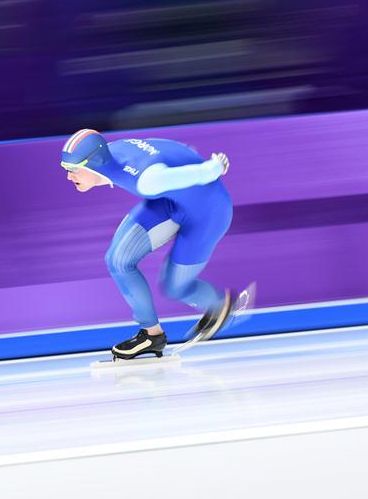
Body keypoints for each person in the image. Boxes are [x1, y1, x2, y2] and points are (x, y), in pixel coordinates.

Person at [60, 128, 237, 360]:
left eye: (73, 170)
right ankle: (151, 335)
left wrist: (214, 167)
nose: (69, 177)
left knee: (175, 287)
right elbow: (163, 147)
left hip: (208, 215)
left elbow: (203, 174)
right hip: (169, 200)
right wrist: (187, 155)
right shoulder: (111, 152)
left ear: (93, 163)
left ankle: (218, 305)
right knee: (118, 261)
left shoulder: (147, 180)